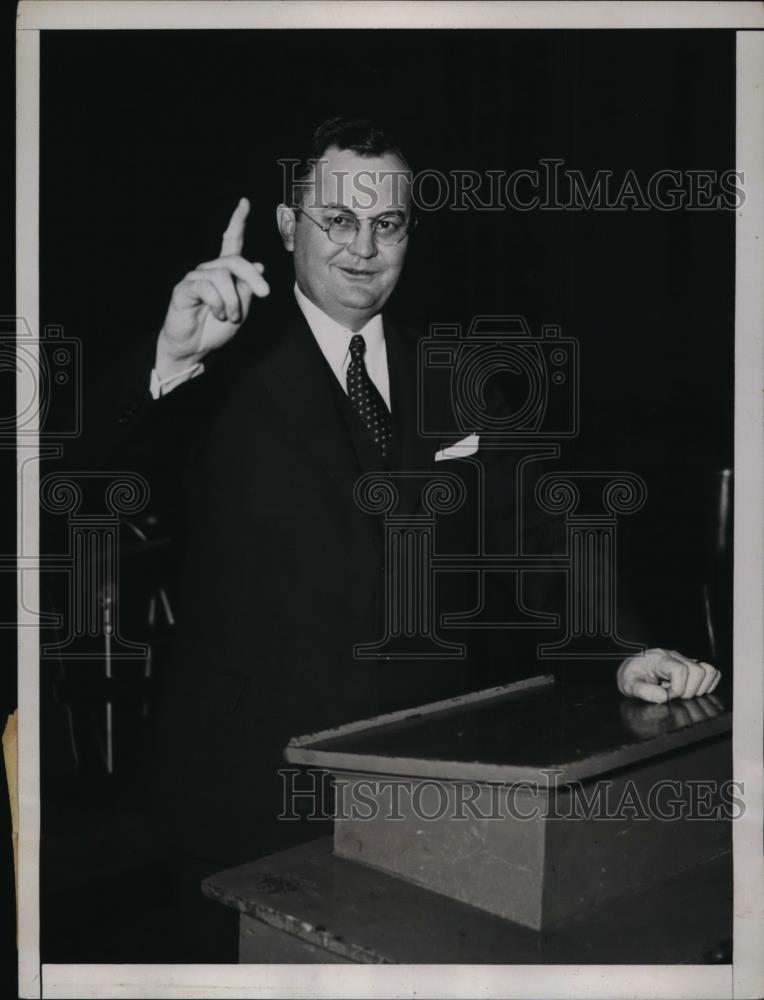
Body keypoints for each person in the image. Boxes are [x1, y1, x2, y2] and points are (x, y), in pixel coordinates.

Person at [101, 117, 722, 959]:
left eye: (386, 223)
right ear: (287, 226)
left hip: (425, 784)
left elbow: (541, 529)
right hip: (245, 784)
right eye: (338, 220)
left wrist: (623, 649)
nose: (363, 248)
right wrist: (170, 363)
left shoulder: (454, 372)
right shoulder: (215, 364)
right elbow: (90, 487)